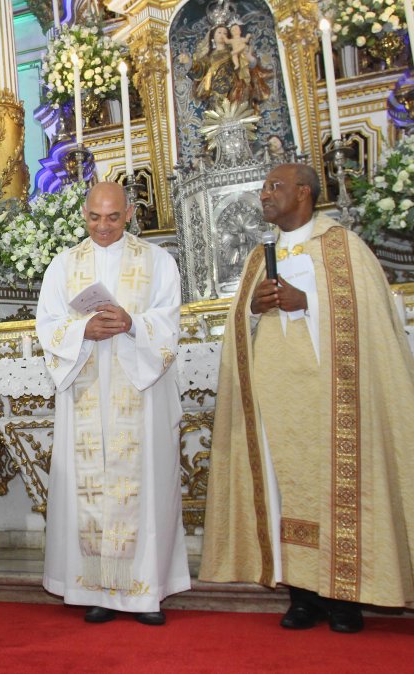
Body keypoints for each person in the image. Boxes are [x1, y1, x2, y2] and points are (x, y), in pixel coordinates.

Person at [200, 163, 414, 633]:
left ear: (305, 193)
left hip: (332, 394)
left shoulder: (343, 247)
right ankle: (302, 596)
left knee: (336, 486)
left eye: (275, 187)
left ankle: (344, 599)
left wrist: (309, 302)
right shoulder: (261, 257)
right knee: (284, 489)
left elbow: (376, 315)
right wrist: (252, 309)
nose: (264, 195)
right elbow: (240, 323)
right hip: (274, 397)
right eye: (263, 188)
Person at [36, 181, 190, 626]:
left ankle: (146, 592)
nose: (102, 227)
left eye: (112, 217)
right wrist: (80, 331)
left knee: (145, 487)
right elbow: (47, 323)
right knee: (92, 489)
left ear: (129, 214)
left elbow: (168, 319)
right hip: (86, 385)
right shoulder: (64, 265)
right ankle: (97, 588)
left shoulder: (157, 261)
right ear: (83, 214)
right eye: (93, 217)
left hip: (138, 390)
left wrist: (132, 323)